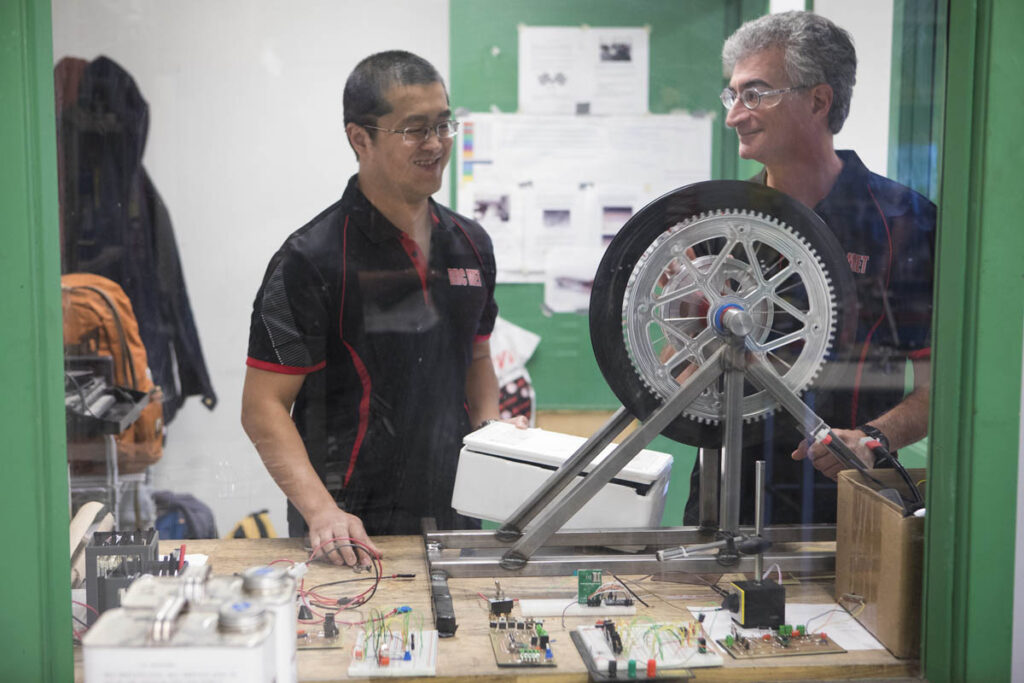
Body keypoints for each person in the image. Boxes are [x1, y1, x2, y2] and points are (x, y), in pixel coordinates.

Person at [242, 51, 519, 565]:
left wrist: (491, 436)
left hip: (455, 514)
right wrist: (322, 512)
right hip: (348, 528)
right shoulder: (310, 258)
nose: (436, 144)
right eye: (415, 129)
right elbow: (263, 407)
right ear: (359, 138)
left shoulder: (472, 243)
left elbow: (476, 358)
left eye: (443, 124)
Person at [683, 11, 935, 525]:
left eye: (755, 94)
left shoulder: (902, 223)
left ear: (819, 101)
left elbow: (943, 384)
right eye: (732, 95)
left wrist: (874, 438)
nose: (735, 114)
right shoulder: (721, 222)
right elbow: (685, 372)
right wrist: (688, 329)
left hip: (844, 501)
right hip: (722, 497)